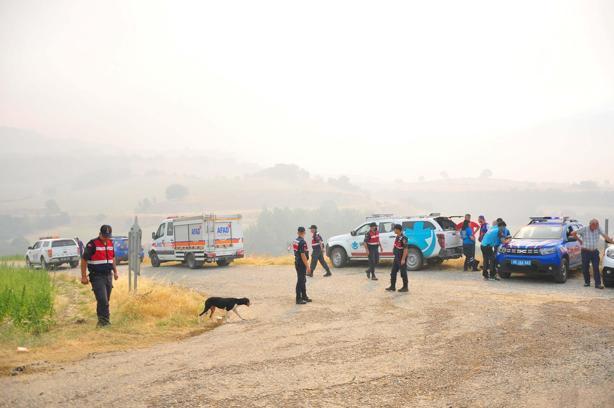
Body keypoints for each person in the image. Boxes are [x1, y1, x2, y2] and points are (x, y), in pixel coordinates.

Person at [80, 225, 118, 327]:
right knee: (102, 299)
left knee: (105, 300)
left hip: (108, 275)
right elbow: (84, 260)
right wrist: (83, 276)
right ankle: (105, 323)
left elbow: (112, 258)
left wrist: (115, 272)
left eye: (108, 236)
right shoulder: (92, 244)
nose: (106, 238)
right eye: (104, 236)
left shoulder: (110, 243)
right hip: (97, 276)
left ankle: (101, 322)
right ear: (100, 234)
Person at [570, 219, 614, 289]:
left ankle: (598, 284)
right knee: (585, 268)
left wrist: (612, 242)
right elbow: (573, 233)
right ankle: (587, 282)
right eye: (595, 226)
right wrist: (579, 240)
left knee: (596, 267)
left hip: (594, 252)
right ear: (591, 225)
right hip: (585, 251)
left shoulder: (598, 228)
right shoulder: (584, 229)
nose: (597, 227)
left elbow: (604, 236)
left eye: (597, 225)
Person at [386, 224, 409, 292]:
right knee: (393, 272)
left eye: (395, 229)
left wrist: (403, 259)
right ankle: (392, 286)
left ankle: (405, 287)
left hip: (401, 258)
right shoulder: (397, 237)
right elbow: (396, 246)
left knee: (403, 272)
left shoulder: (404, 238)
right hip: (396, 257)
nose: (394, 230)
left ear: (398, 230)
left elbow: (405, 249)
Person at [292, 227, 312, 304]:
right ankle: (298, 299)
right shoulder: (302, 242)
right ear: (304, 232)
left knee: (303, 280)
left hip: (297, 262)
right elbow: (303, 255)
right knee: (300, 281)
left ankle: (304, 296)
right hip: (301, 264)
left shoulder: (295, 241)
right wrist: (307, 266)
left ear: (298, 232)